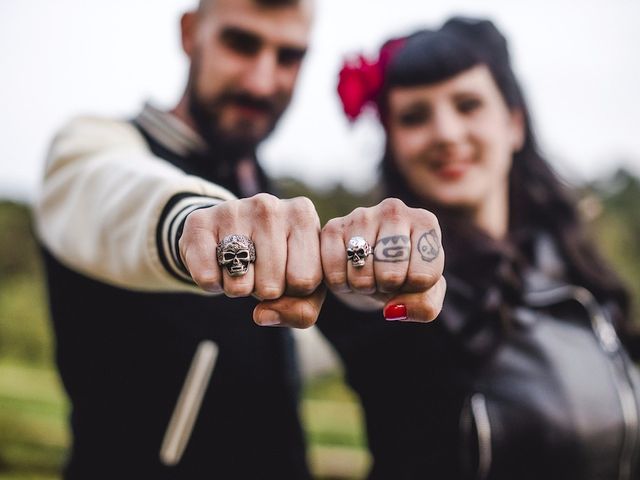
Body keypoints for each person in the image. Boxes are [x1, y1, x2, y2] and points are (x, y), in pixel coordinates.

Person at [33, 0, 445, 478]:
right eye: (240, 43)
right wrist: (195, 224)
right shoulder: (95, 145)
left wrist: (364, 289)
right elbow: (118, 197)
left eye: (288, 56)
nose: (261, 81)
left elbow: (282, 344)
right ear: (190, 33)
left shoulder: (269, 190)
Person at [320, 16, 640, 479]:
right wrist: (358, 262)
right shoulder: (402, 287)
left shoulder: (577, 269)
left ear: (513, 125)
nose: (446, 133)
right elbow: (356, 292)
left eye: (468, 105)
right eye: (414, 117)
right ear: (393, 143)